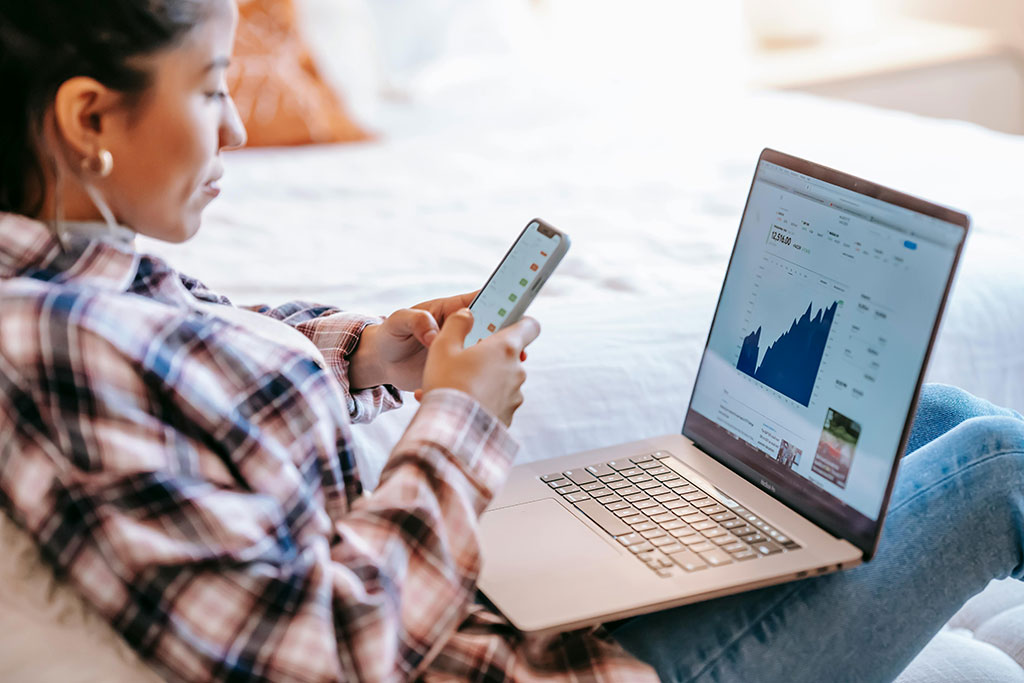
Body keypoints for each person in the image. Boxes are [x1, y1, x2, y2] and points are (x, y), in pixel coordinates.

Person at [1, 2, 1023, 681]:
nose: (234, 129)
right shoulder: (54, 348)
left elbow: (191, 355)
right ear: (91, 114)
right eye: (213, 85)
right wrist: (458, 417)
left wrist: (367, 349)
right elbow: (326, 650)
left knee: (928, 419)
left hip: (487, 607)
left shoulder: (71, 277)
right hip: (520, 666)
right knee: (995, 462)